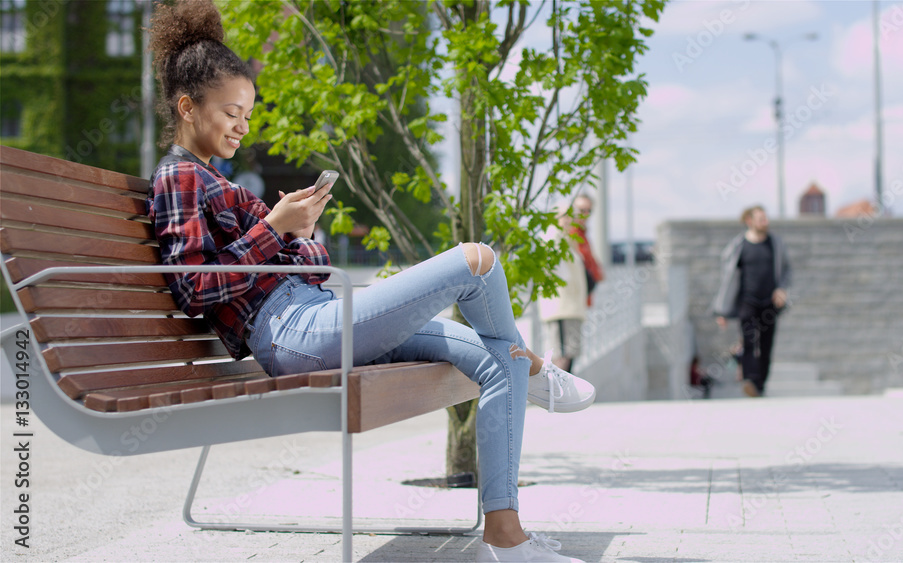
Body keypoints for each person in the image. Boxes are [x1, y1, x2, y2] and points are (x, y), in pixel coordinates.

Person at [145, 2, 594, 561]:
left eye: (249, 115)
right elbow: (191, 287)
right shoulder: (178, 176)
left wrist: (294, 228)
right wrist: (272, 230)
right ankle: (531, 364)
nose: (242, 125)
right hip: (290, 334)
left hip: (313, 311)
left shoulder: (219, 180)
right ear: (188, 107)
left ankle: (504, 537)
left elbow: (308, 264)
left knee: (493, 358)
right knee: (476, 261)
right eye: (232, 112)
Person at [711, 205, 791, 397]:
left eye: (766, 218)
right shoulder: (739, 246)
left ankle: (760, 385)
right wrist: (721, 311)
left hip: (770, 303)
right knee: (748, 341)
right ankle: (749, 379)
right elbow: (728, 279)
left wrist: (781, 289)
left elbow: (787, 271)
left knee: (766, 345)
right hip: (747, 301)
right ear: (749, 221)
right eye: (761, 219)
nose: (766, 222)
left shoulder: (775, 244)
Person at [538, 202, 590, 373]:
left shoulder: (566, 238)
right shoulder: (553, 238)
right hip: (560, 308)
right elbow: (559, 273)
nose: (569, 219)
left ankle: (560, 397)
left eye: (570, 215)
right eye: (565, 215)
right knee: (561, 356)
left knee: (568, 356)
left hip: (569, 308)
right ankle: (556, 397)